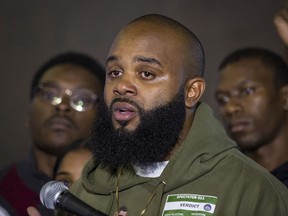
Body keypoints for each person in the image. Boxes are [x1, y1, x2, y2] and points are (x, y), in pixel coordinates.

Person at [30, 14, 288, 216]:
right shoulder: (85, 189)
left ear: (191, 92)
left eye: (146, 74)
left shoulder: (252, 191)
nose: (121, 85)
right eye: (115, 72)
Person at [0, 52, 105, 216]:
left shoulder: (122, 191)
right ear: (28, 114)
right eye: (50, 95)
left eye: (81, 100)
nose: (62, 106)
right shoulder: (3, 192)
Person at [215, 47, 288, 187]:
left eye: (247, 91)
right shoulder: (223, 180)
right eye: (222, 99)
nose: (230, 108)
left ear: (285, 97)